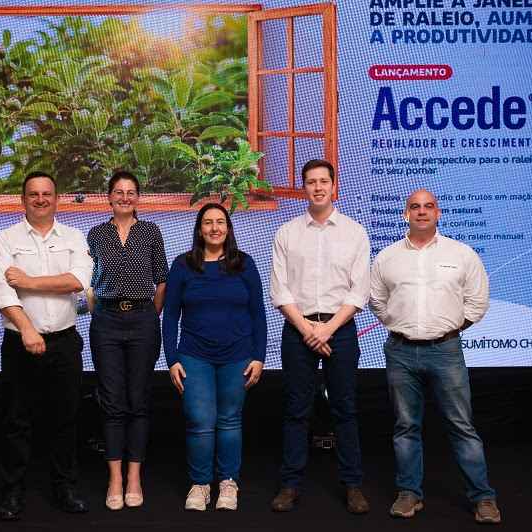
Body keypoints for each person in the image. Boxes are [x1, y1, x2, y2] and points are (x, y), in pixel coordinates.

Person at [369, 188, 501, 524]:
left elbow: (478, 301)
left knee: (461, 426)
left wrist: (451, 328)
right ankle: (409, 493)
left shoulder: (462, 254)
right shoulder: (387, 257)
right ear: (406, 214)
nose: (422, 212)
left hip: (446, 350)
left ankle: (483, 498)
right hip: (400, 351)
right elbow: (377, 301)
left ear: (438, 213)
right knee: (405, 427)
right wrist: (400, 325)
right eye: (415, 207)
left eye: (428, 206)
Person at [0, 171, 93, 520]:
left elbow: (77, 281)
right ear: (23, 199)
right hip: (20, 342)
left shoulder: (74, 237)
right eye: (33, 194)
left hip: (64, 343)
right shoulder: (5, 239)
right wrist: (28, 329)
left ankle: (64, 488)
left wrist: (28, 281)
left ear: (56, 198)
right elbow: (2, 291)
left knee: (65, 418)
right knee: (17, 420)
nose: (40, 199)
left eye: (47, 193)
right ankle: (12, 492)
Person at [269, 159, 371, 514]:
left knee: (345, 409)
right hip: (298, 330)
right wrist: (307, 329)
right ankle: (290, 484)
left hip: (339, 330)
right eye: (310, 182)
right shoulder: (287, 233)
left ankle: (353, 485)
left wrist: (326, 329)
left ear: (333, 186)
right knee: (297, 410)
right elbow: (280, 290)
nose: (317, 187)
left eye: (323, 181)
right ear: (304, 188)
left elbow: (360, 292)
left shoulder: (355, 233)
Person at [163, 203, 267, 511]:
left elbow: (258, 314)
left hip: (238, 355)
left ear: (228, 228)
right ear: (199, 229)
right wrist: (172, 359)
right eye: (207, 223)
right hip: (194, 356)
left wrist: (259, 357)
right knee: (200, 421)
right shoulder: (183, 266)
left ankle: (227, 483)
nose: (214, 228)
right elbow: (170, 317)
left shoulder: (244, 264)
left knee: (230, 420)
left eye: (220, 222)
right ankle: (200, 485)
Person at [87, 171, 168, 510]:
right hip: (105, 321)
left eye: (131, 192)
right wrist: (100, 314)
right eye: (118, 192)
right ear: (109, 196)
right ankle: (115, 477)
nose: (124, 197)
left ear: (138, 197)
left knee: (138, 400)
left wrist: (149, 315)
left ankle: (134, 476)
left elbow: (161, 279)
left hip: (142, 321)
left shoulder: (151, 231)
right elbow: (88, 283)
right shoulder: (95, 234)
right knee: (112, 401)